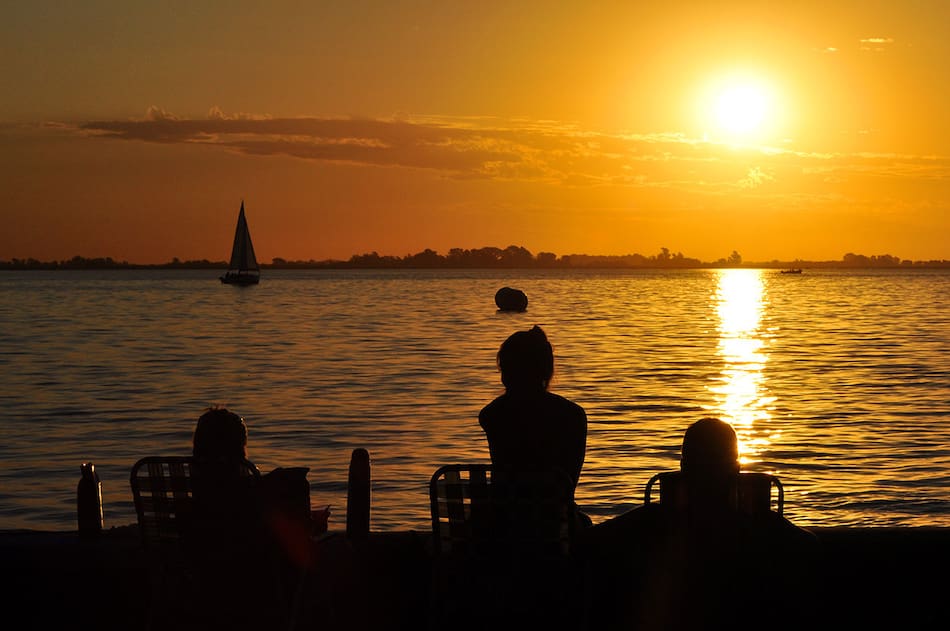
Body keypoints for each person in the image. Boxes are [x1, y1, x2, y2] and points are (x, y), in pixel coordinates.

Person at [582, 417, 820, 630]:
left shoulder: (649, 523)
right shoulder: (763, 529)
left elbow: (589, 542)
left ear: (684, 468)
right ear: (736, 470)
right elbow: (809, 547)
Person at [478, 325, 590, 527]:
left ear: (505, 373)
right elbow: (568, 485)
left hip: (501, 527)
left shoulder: (492, 415)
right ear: (546, 370)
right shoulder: (572, 415)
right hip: (552, 527)